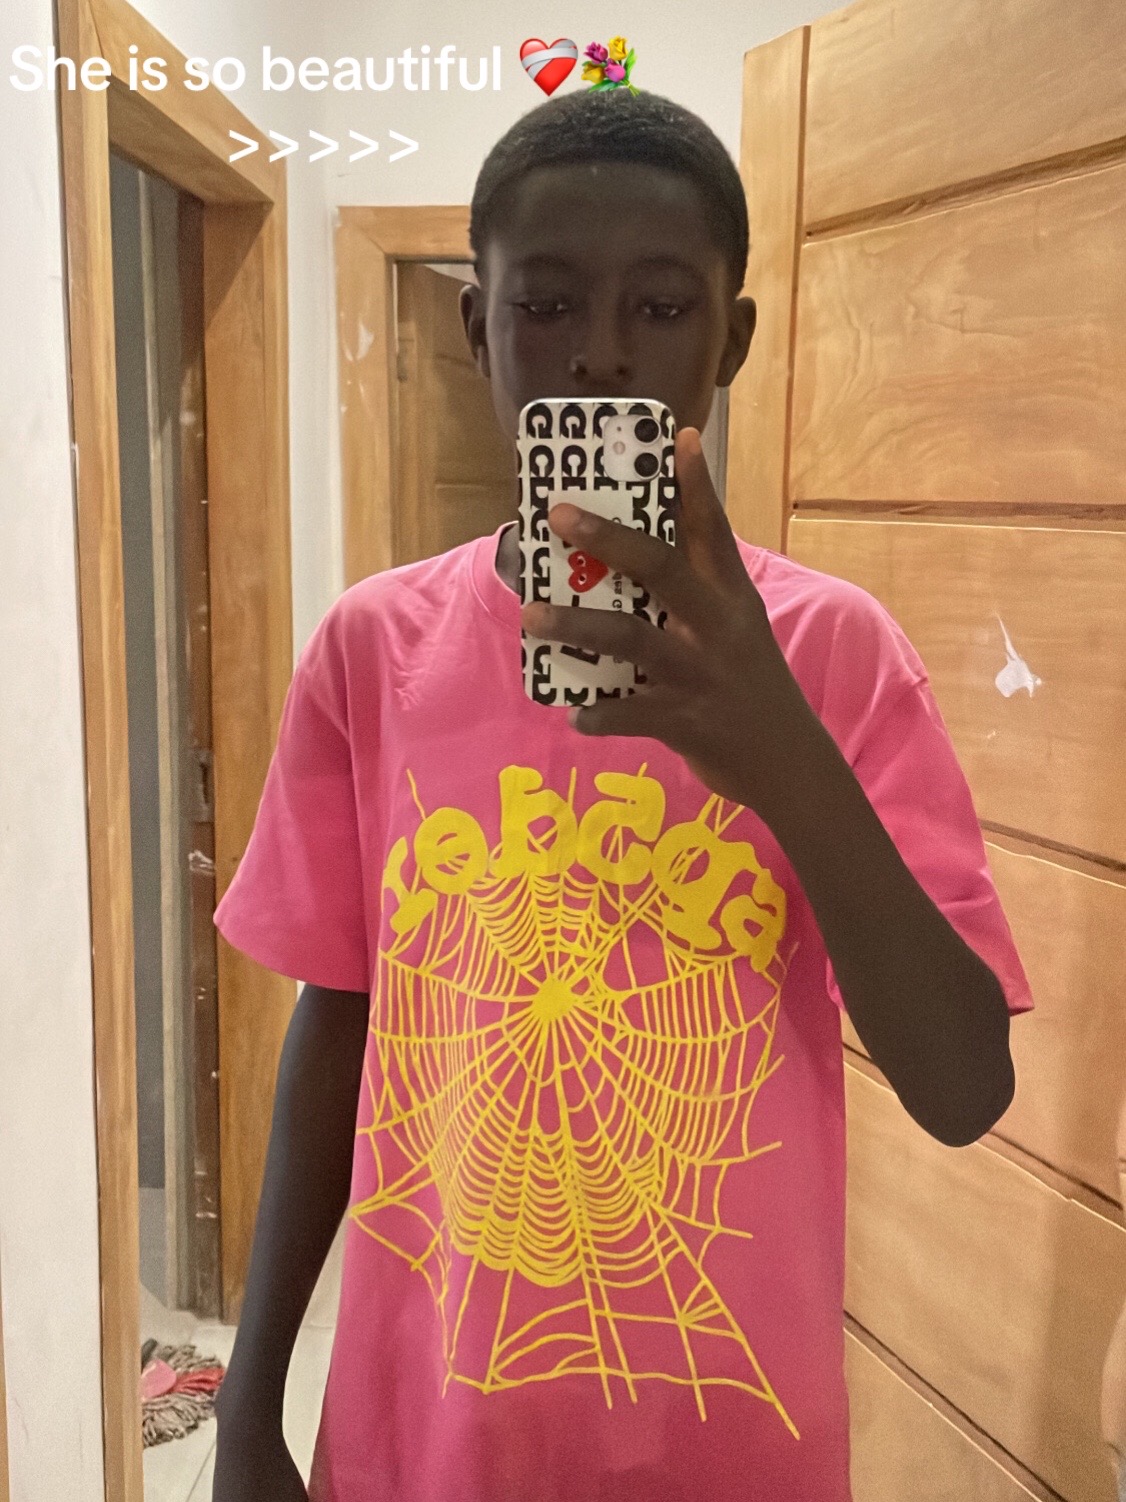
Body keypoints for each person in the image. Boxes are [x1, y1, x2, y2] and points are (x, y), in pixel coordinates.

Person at [211, 88, 1034, 1502]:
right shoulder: (372, 647)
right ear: (478, 328)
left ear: (732, 341)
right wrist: (246, 1394)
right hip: (419, 1436)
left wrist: (782, 752)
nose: (600, 352)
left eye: (660, 308)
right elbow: (340, 1017)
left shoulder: (835, 652)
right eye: (545, 305)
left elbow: (963, 1089)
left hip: (732, 1446)